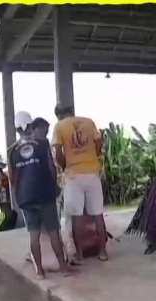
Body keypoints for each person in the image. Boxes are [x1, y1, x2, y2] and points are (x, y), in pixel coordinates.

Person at [9, 112, 75, 279]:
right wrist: (54, 187)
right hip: (45, 194)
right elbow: (51, 169)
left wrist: (20, 195)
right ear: (31, 126)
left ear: (17, 129)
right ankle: (63, 268)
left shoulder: (11, 151)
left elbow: (12, 178)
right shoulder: (42, 144)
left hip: (26, 198)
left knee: (34, 235)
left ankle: (39, 271)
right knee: (54, 232)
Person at [52, 104, 109, 262]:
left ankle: (80, 253)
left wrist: (65, 166)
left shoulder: (59, 126)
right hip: (92, 173)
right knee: (98, 215)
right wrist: (93, 157)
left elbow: (57, 152)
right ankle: (103, 252)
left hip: (73, 176)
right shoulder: (89, 122)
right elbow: (99, 143)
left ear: (59, 115)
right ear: (72, 112)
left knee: (76, 216)